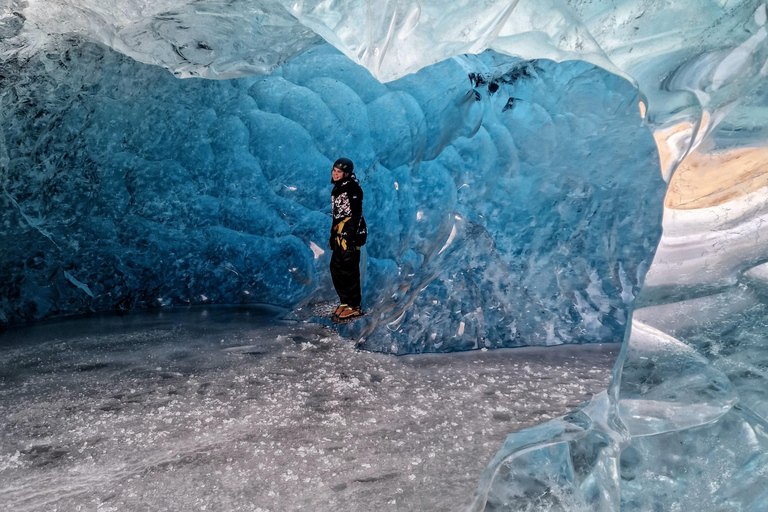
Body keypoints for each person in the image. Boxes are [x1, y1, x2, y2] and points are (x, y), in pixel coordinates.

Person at [329, 157, 367, 320]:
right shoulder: (338, 187)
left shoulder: (352, 188)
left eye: (339, 172)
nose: (335, 174)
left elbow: (356, 214)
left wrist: (351, 237)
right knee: (336, 267)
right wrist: (333, 236)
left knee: (349, 270)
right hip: (339, 234)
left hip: (350, 235)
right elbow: (337, 216)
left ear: (347, 173)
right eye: (334, 171)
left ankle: (355, 306)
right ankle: (345, 301)